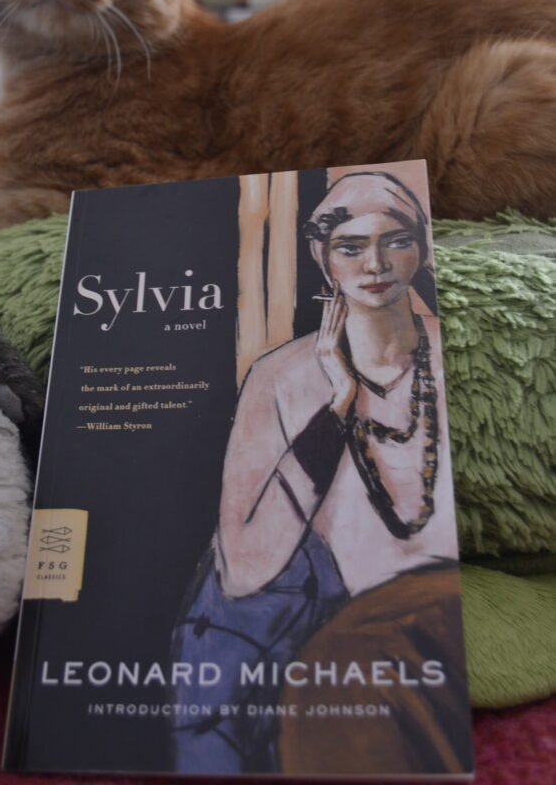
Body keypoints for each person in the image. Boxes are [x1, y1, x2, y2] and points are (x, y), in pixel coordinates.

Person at [170, 171, 460, 774]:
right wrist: (335, 407)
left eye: (395, 240)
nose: (374, 263)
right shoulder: (281, 377)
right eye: (351, 247)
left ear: (423, 247)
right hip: (357, 643)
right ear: (322, 258)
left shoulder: (453, 346)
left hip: (458, 612)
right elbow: (246, 567)